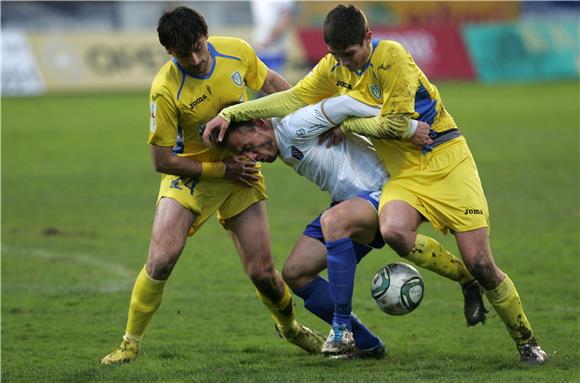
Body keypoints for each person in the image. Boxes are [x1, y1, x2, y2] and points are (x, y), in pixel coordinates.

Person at [203, 4, 547, 365]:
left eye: (349, 54)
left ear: (368, 37)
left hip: (443, 157)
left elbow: (393, 123)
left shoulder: (392, 57)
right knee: (374, 240)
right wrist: (230, 113)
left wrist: (354, 123)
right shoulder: (333, 67)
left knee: (480, 260)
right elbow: (296, 97)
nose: (343, 63)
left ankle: (525, 339)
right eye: (335, 55)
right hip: (401, 172)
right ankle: (367, 337)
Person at [100, 6, 324, 365]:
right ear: (169, 53)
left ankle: (291, 328)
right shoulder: (165, 89)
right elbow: (161, 161)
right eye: (183, 54)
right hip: (191, 174)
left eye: (198, 47)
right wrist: (222, 171)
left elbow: (274, 86)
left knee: (263, 273)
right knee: (161, 260)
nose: (195, 58)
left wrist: (317, 117)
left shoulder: (236, 51)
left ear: (206, 35)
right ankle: (130, 343)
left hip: (242, 173)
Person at [216, 94, 483, 358]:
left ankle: (342, 329)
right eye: (244, 153)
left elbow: (344, 103)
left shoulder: (295, 124)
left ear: (261, 124)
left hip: (385, 191)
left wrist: (398, 126)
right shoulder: (279, 135)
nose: (252, 157)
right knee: (297, 272)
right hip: (348, 202)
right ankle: (366, 344)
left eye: (248, 147)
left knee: (334, 222)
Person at [250, 0, 295, 76]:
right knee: (259, 80)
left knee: (275, 80)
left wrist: (270, 39)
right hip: (260, 44)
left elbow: (286, 20)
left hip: (275, 47)